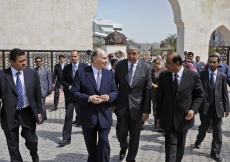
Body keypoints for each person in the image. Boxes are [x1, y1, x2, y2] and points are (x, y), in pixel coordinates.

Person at [70, 49, 118, 162]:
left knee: (104, 143)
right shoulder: (81, 72)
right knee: (91, 148)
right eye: (104, 58)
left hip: (104, 116)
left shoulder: (109, 73)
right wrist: (88, 98)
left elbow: (115, 91)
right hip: (88, 116)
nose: (107, 61)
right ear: (95, 59)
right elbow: (73, 93)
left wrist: (109, 97)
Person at [156, 52, 204, 162]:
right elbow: (159, 98)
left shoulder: (193, 75)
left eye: (168, 63)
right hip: (167, 118)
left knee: (180, 146)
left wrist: (193, 109)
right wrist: (158, 117)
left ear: (177, 63)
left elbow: (200, 94)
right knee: (170, 145)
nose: (165, 65)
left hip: (184, 118)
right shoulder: (164, 76)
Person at [0, 48, 42, 162]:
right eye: (20, 61)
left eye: (25, 60)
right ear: (12, 62)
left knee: (32, 140)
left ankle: (34, 154)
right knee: (12, 145)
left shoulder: (32, 73)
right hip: (9, 115)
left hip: (27, 112)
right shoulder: (2, 75)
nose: (24, 63)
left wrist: (39, 112)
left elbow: (38, 94)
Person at [114, 43, 152, 161]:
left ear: (139, 54)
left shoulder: (146, 67)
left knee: (135, 137)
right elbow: (114, 85)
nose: (131, 56)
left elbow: (148, 90)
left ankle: (131, 158)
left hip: (137, 108)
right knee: (121, 133)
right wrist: (113, 103)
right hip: (122, 106)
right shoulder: (120, 65)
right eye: (129, 53)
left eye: (134, 53)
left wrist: (146, 111)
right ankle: (123, 146)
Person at [195, 54, 230, 162]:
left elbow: (225, 93)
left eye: (214, 62)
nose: (211, 64)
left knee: (218, 130)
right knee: (204, 127)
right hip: (205, 107)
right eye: (210, 61)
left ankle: (215, 152)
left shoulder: (222, 76)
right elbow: (197, 92)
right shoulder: (202, 74)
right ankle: (198, 140)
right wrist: (195, 107)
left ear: (218, 63)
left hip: (217, 107)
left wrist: (227, 108)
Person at [59, 50, 88, 146]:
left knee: (83, 114)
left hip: (81, 95)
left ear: (79, 57)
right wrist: (69, 87)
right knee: (68, 116)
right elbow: (62, 81)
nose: (73, 58)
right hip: (70, 96)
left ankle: (87, 131)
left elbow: (89, 80)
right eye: (72, 56)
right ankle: (66, 138)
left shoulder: (85, 67)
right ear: (69, 58)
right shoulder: (66, 68)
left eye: (75, 56)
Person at [34, 57, 52, 123]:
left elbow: (49, 80)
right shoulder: (34, 70)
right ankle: (44, 116)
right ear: (35, 62)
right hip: (36, 90)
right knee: (39, 103)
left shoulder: (46, 70)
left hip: (43, 89)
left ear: (41, 62)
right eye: (37, 61)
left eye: (39, 61)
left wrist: (50, 89)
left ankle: (41, 118)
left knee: (41, 103)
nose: (38, 62)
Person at [151, 59, 166, 132]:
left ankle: (162, 125)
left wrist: (155, 85)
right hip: (154, 93)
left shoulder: (164, 71)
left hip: (162, 92)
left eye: (156, 66)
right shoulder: (153, 71)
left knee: (162, 108)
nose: (154, 67)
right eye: (153, 66)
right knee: (155, 108)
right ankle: (157, 125)